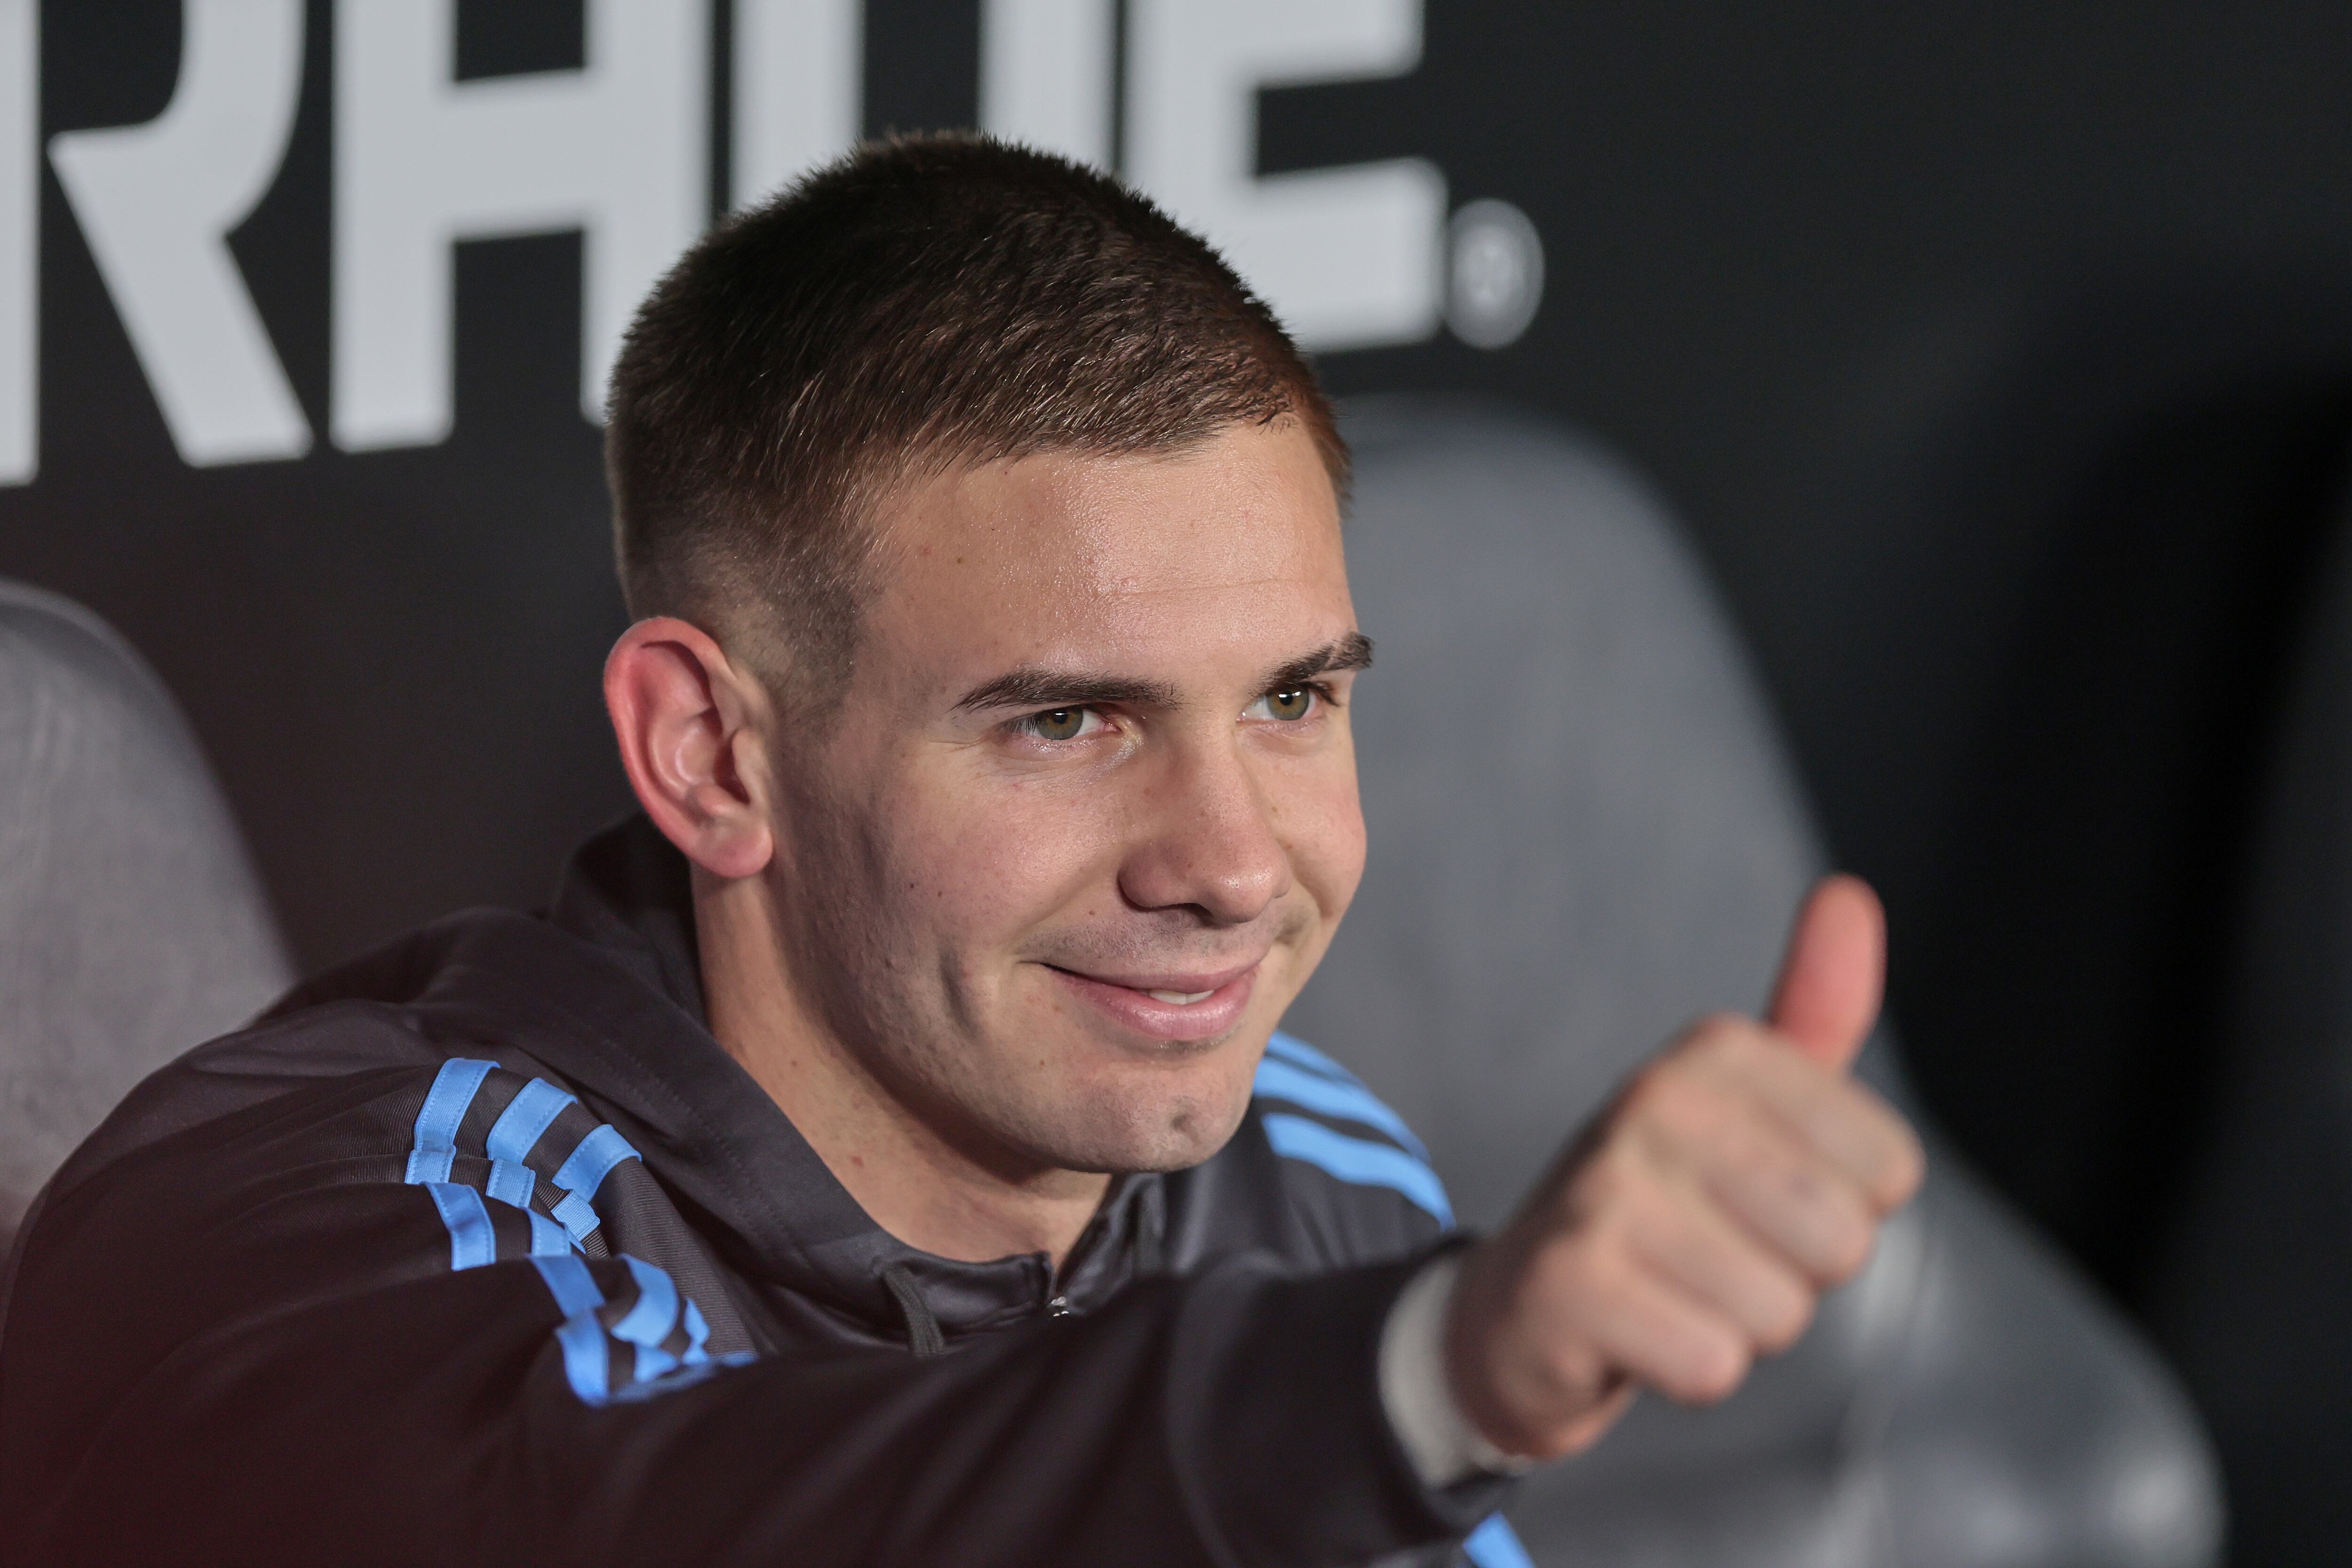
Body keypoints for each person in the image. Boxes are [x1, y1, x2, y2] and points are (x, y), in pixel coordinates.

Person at [0, 136, 1921, 1567]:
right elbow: (670, 1519)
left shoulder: (1312, 1173)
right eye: (1063, 722)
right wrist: (1406, 1384)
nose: (1230, 865)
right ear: (712, 755)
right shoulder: (319, 1227)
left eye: (1290, 700)